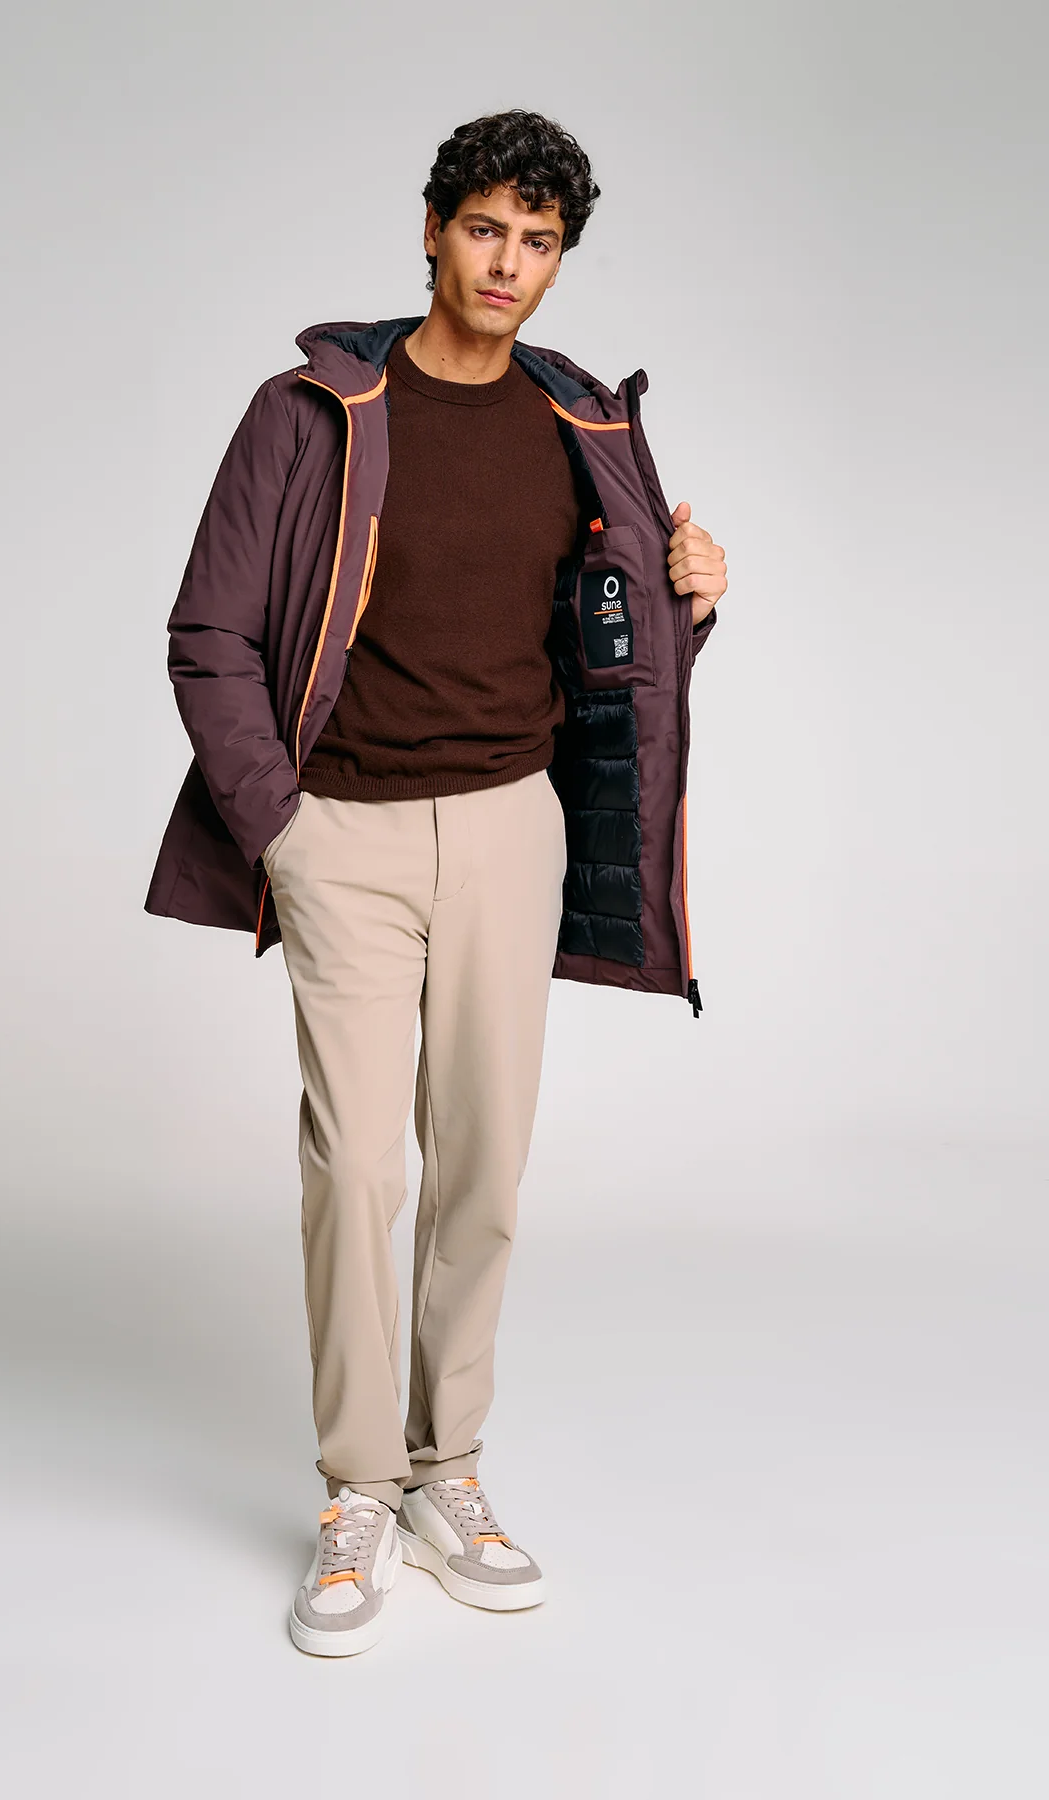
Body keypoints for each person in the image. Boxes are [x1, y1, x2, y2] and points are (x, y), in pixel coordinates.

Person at [146, 110, 727, 1656]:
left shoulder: (582, 424)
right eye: (486, 230)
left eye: (539, 242)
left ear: (558, 260)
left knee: (482, 1171)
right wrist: (279, 828)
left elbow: (616, 649)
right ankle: (357, 1487)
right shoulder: (310, 413)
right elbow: (208, 634)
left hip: (511, 830)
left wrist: (692, 604)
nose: (508, 265)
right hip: (341, 835)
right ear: (431, 229)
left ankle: (445, 1468)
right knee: (359, 1171)